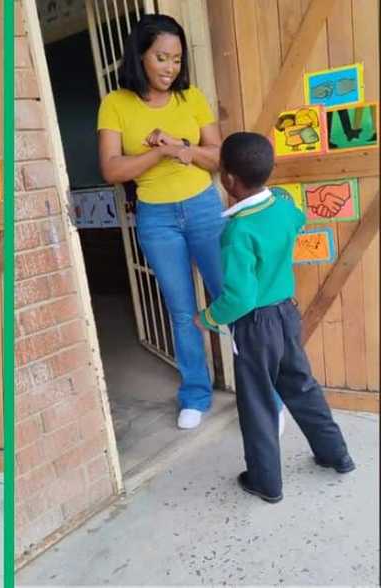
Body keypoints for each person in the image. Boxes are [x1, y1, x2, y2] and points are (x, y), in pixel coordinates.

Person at [96, 15, 283, 431]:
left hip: (202, 209)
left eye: (177, 60)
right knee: (182, 313)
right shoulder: (116, 104)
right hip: (156, 217)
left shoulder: (191, 98)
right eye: (161, 57)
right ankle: (195, 394)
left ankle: (265, 396)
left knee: (233, 300)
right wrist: (160, 154)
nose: (170, 68)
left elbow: (219, 157)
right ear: (140, 55)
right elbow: (111, 169)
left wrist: (181, 146)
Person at [196, 132, 354, 503]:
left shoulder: (237, 231)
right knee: (302, 387)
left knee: (257, 404)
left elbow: (240, 297)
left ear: (228, 179)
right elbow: (296, 218)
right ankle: (337, 455)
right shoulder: (283, 206)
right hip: (286, 316)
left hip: (254, 326)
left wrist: (207, 317)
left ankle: (266, 482)